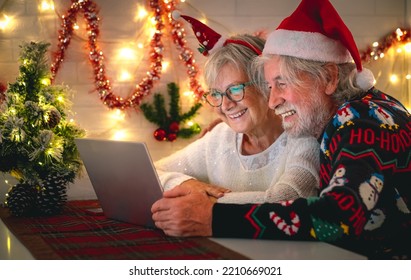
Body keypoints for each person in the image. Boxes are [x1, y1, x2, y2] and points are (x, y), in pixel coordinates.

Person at [152, 0, 411, 259]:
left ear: (330, 78)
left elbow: (339, 216)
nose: (273, 101)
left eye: (282, 83)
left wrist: (212, 216)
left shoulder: (361, 119)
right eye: (269, 86)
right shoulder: (349, 118)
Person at [154, 13, 320, 204]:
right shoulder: (219, 138)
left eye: (235, 89)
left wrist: (204, 203)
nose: (225, 105)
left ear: (265, 84)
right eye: (216, 94)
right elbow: (153, 171)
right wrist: (185, 184)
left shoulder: (302, 136)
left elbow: (287, 199)